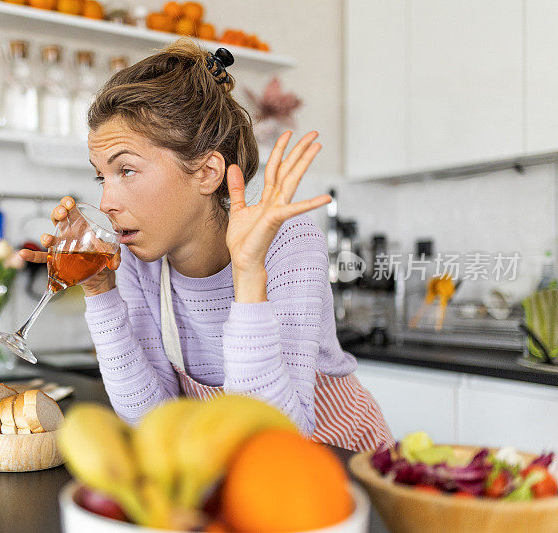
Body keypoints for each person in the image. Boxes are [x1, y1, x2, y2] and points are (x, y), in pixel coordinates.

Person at [20, 40, 392, 451]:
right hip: (234, 473)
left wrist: (248, 275)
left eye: (126, 169)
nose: (106, 202)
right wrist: (100, 292)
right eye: (101, 178)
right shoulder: (140, 260)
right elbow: (151, 423)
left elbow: (275, 438)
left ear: (206, 172)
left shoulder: (288, 241)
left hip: (338, 469)